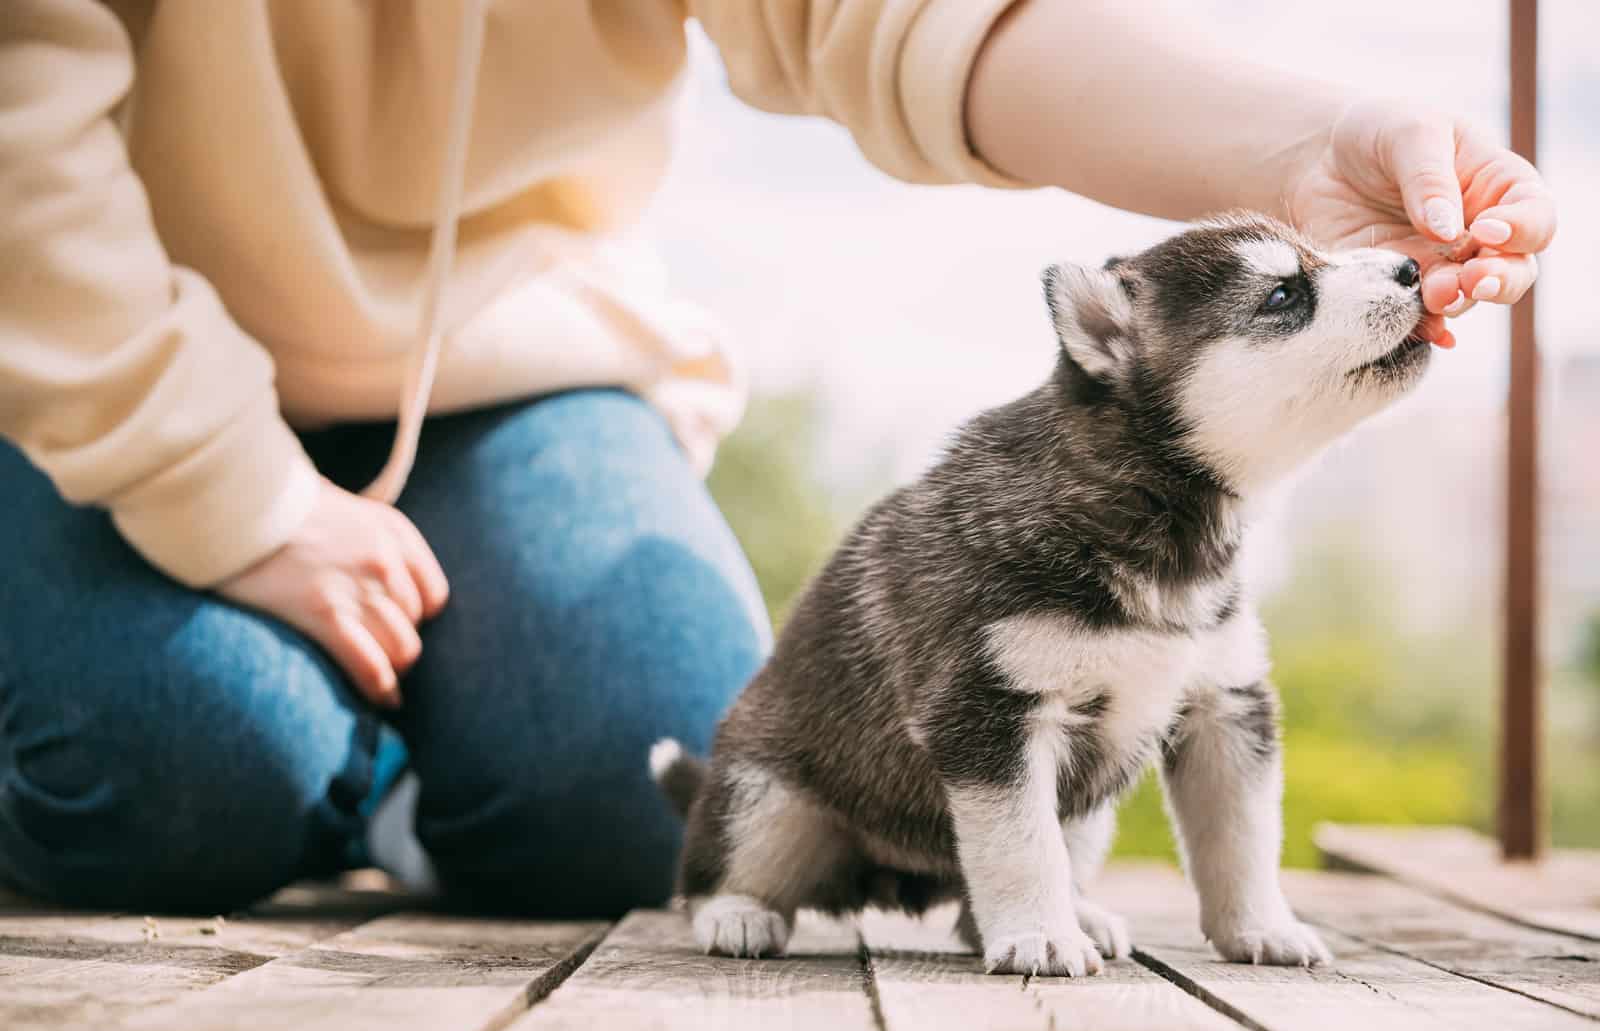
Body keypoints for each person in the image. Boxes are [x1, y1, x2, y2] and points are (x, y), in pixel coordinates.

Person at [0, 1, 1555, 916]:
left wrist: (1298, 149)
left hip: (490, 350)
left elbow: (906, 25)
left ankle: (390, 772)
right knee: (179, 777)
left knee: (638, 800)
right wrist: (227, 485)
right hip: (64, 341)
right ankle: (301, 752)